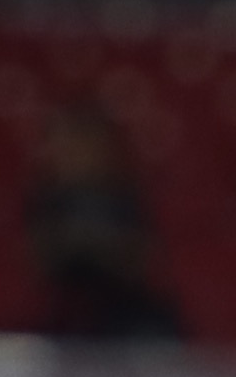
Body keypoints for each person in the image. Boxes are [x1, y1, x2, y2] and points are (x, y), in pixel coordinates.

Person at [21, 98, 181, 344]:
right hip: (63, 309)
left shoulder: (124, 196)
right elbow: (39, 259)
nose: (76, 154)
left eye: (84, 143)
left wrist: (96, 246)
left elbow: (141, 259)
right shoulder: (48, 200)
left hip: (122, 308)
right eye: (68, 144)